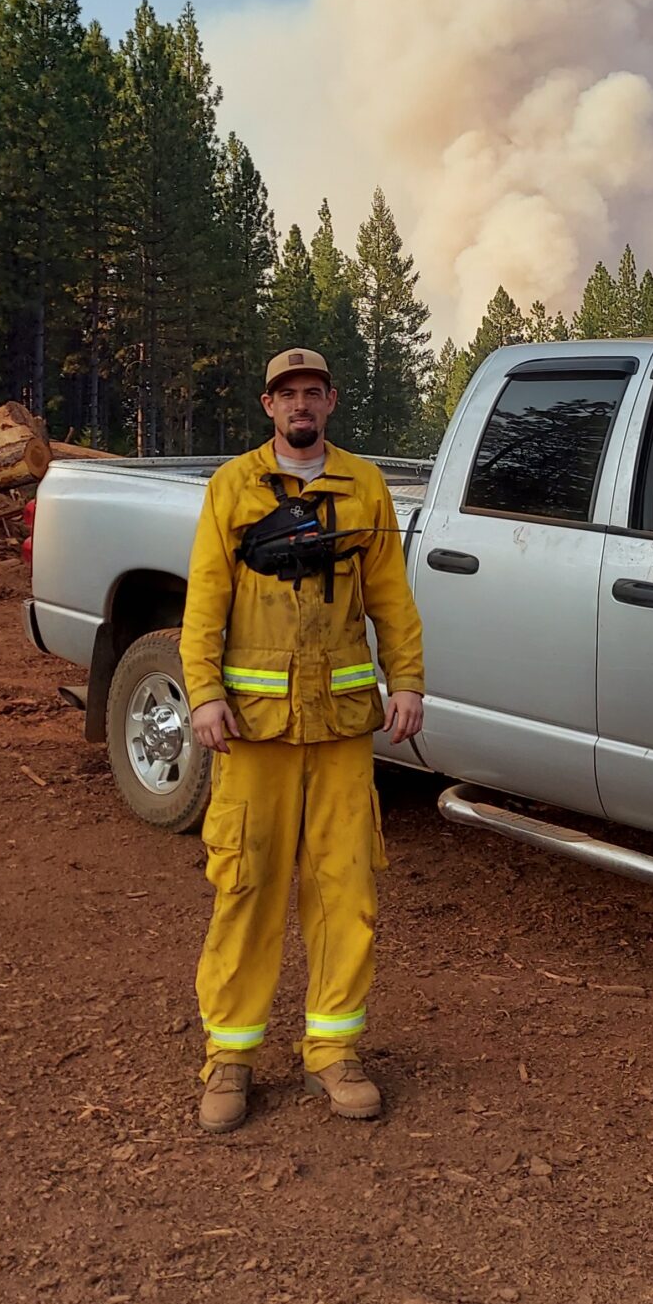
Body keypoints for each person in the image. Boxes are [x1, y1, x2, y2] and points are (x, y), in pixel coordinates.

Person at [179, 347, 425, 1134]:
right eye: (287, 395)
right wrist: (206, 695)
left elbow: (391, 595)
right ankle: (231, 1059)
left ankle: (334, 1052)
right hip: (252, 734)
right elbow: (205, 602)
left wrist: (408, 680)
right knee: (246, 889)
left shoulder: (364, 486)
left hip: (343, 728)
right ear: (268, 406)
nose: (301, 405)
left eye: (313, 392)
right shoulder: (233, 487)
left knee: (345, 888)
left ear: (331, 401)